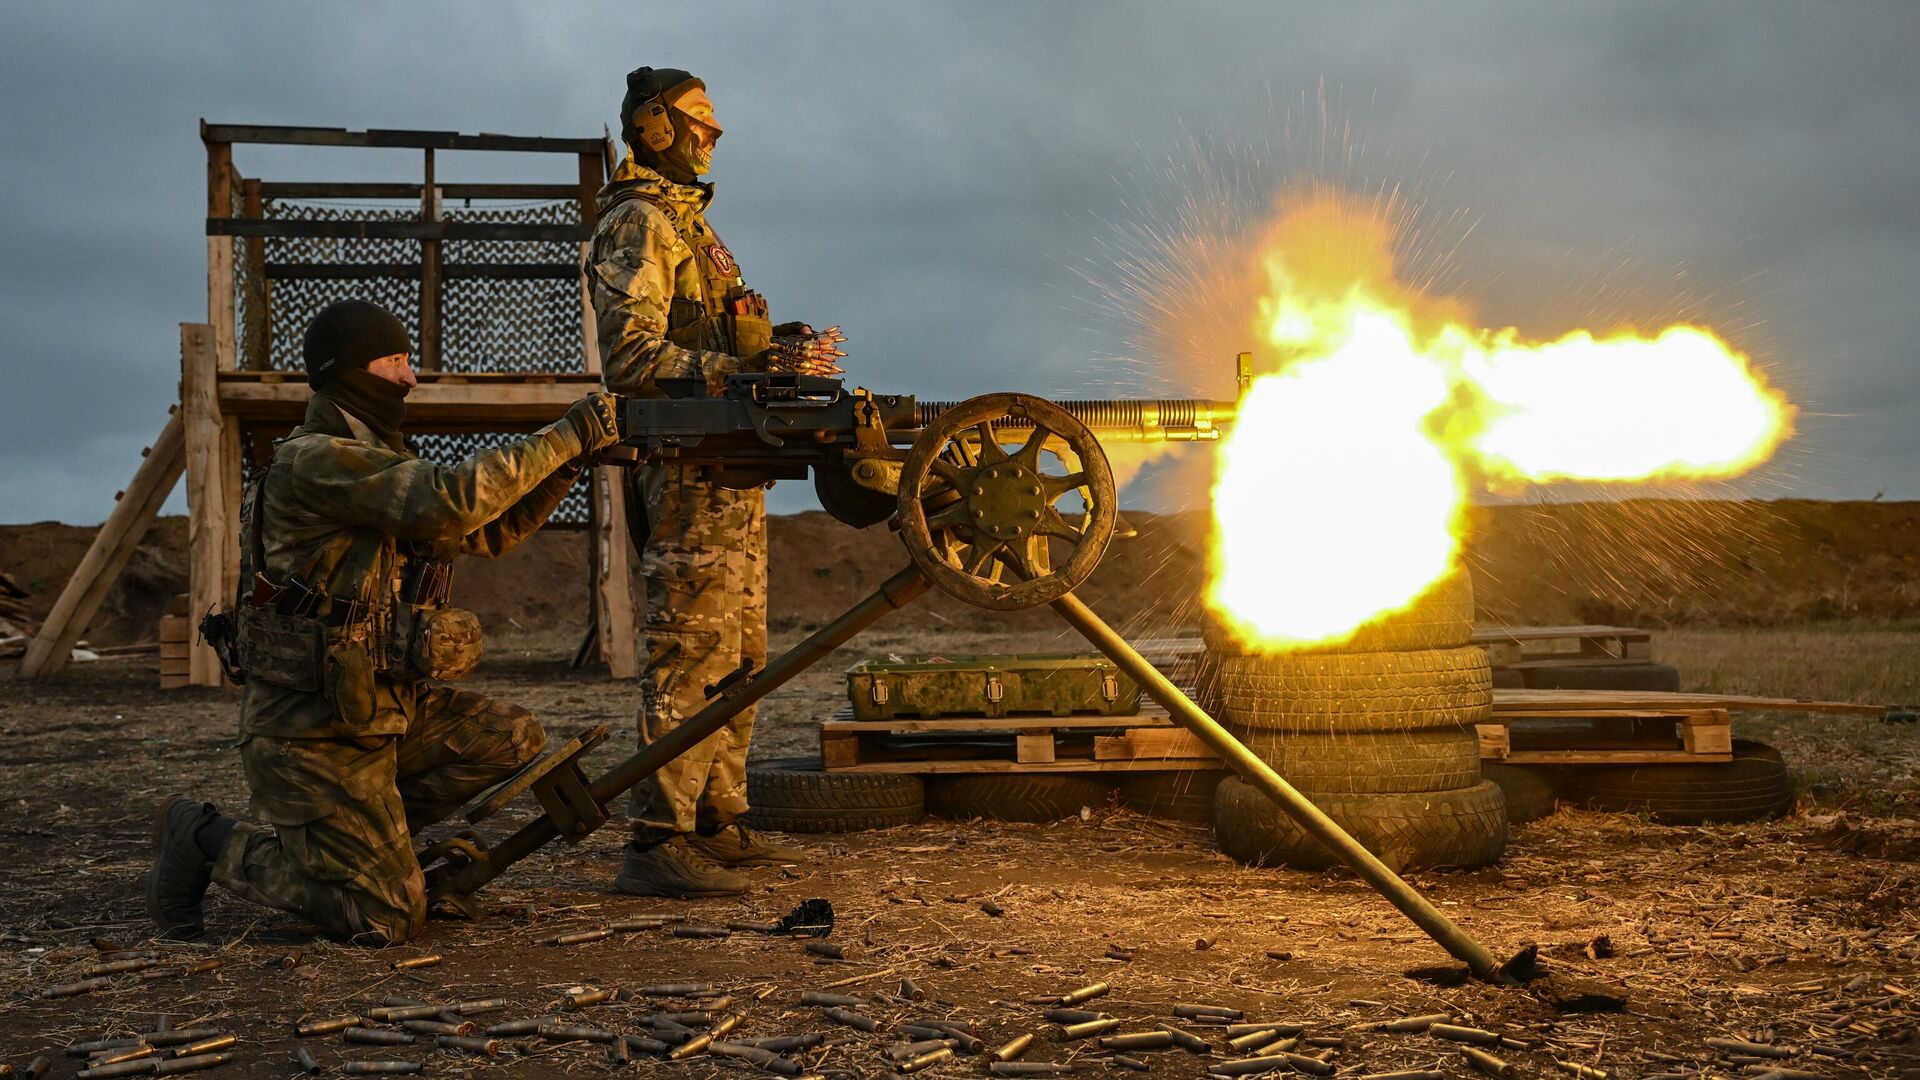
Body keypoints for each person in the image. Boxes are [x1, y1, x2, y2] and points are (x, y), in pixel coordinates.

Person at [147, 298, 622, 944]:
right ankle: (204, 837)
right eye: (395, 361)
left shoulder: (374, 459)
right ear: (349, 373)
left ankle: (366, 843)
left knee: (512, 739)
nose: (410, 377)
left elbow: (488, 528)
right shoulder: (316, 461)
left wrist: (572, 463)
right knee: (385, 916)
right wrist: (569, 433)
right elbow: (449, 501)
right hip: (309, 735)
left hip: (374, 714)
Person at [585, 65, 845, 897]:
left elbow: (719, 344)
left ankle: (714, 818)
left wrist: (771, 355)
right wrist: (741, 375)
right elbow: (631, 359)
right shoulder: (641, 225)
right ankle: (656, 835)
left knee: (740, 652)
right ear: (654, 127)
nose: (715, 131)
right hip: (689, 467)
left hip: (728, 470)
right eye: (699, 117)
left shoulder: (693, 229)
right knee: (689, 651)